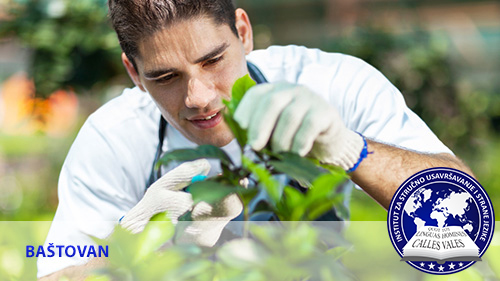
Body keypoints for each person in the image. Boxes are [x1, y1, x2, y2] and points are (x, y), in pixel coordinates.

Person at [37, 0, 473, 279]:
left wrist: (350, 148)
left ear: (243, 33)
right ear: (133, 73)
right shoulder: (112, 140)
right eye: (165, 77)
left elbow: (470, 229)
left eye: (213, 61)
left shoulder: (334, 83)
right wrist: (152, 252)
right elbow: (58, 267)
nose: (199, 97)